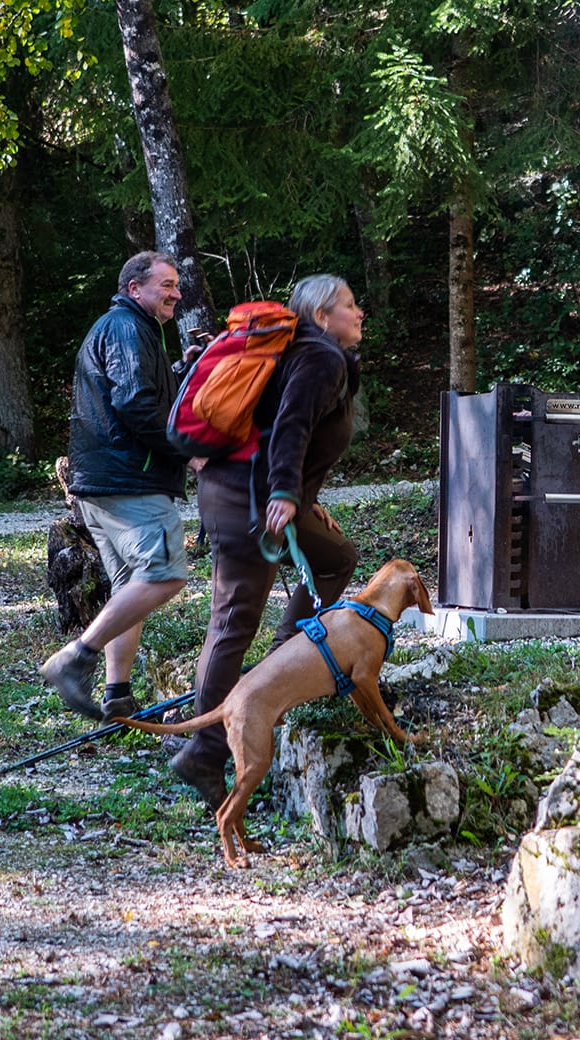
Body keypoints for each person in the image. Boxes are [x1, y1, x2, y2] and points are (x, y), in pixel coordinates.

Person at [169, 274, 367, 809]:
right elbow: (290, 425)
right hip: (250, 501)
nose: (359, 313)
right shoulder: (320, 357)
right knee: (232, 622)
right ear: (322, 316)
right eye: (350, 305)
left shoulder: (310, 354)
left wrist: (303, 496)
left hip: (256, 495)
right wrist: (284, 492)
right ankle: (204, 753)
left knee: (336, 558)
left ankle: (280, 664)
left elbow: (297, 432)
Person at [40, 252, 195, 721]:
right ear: (134, 288)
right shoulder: (127, 328)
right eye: (166, 285)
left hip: (101, 485)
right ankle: (75, 658)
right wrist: (189, 451)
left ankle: (118, 694)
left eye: (176, 285)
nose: (176, 293)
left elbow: (139, 391)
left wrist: (181, 370)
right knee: (164, 575)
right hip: (131, 483)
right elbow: (134, 403)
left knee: (129, 587)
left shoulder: (131, 329)